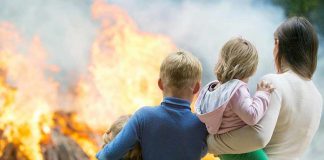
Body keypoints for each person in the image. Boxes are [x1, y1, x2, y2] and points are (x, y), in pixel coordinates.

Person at [207, 17, 323, 160]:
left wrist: (209, 142)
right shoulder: (318, 97)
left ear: (277, 44)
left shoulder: (273, 83)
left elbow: (257, 137)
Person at [96, 51, 208, 160]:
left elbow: (108, 155)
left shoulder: (143, 116)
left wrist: (99, 155)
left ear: (160, 84)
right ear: (197, 88)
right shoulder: (202, 125)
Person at [195, 37, 273, 160]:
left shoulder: (213, 89)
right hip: (244, 150)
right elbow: (251, 116)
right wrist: (262, 94)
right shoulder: (237, 90)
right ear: (251, 68)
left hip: (225, 153)